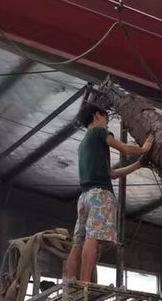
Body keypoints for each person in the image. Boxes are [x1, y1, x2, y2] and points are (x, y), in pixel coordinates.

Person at [65, 103, 154, 283]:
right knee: (93, 237)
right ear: (97, 115)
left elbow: (112, 174)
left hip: (84, 197)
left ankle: (70, 281)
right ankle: (85, 283)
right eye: (106, 119)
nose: (106, 123)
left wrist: (138, 164)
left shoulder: (83, 145)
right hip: (100, 196)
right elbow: (123, 148)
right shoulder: (99, 132)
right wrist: (143, 149)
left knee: (78, 242)